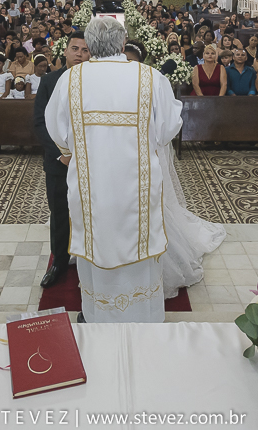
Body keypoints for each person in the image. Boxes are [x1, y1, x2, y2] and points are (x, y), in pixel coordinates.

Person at [46, 18, 183, 323]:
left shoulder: (71, 80)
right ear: (122, 44)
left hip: (91, 186)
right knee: (139, 245)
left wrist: (69, 152)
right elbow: (168, 128)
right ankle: (143, 316)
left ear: (91, 46)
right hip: (137, 189)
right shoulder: (149, 77)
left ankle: (98, 315)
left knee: (97, 243)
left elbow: (55, 127)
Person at [34, 33, 89, 288]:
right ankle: (59, 261)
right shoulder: (49, 81)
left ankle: (90, 258)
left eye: (85, 50)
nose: (79, 54)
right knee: (59, 210)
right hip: (59, 162)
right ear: (65, 51)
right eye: (75, 48)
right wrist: (61, 154)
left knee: (90, 210)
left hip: (90, 161)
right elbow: (39, 122)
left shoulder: (96, 82)